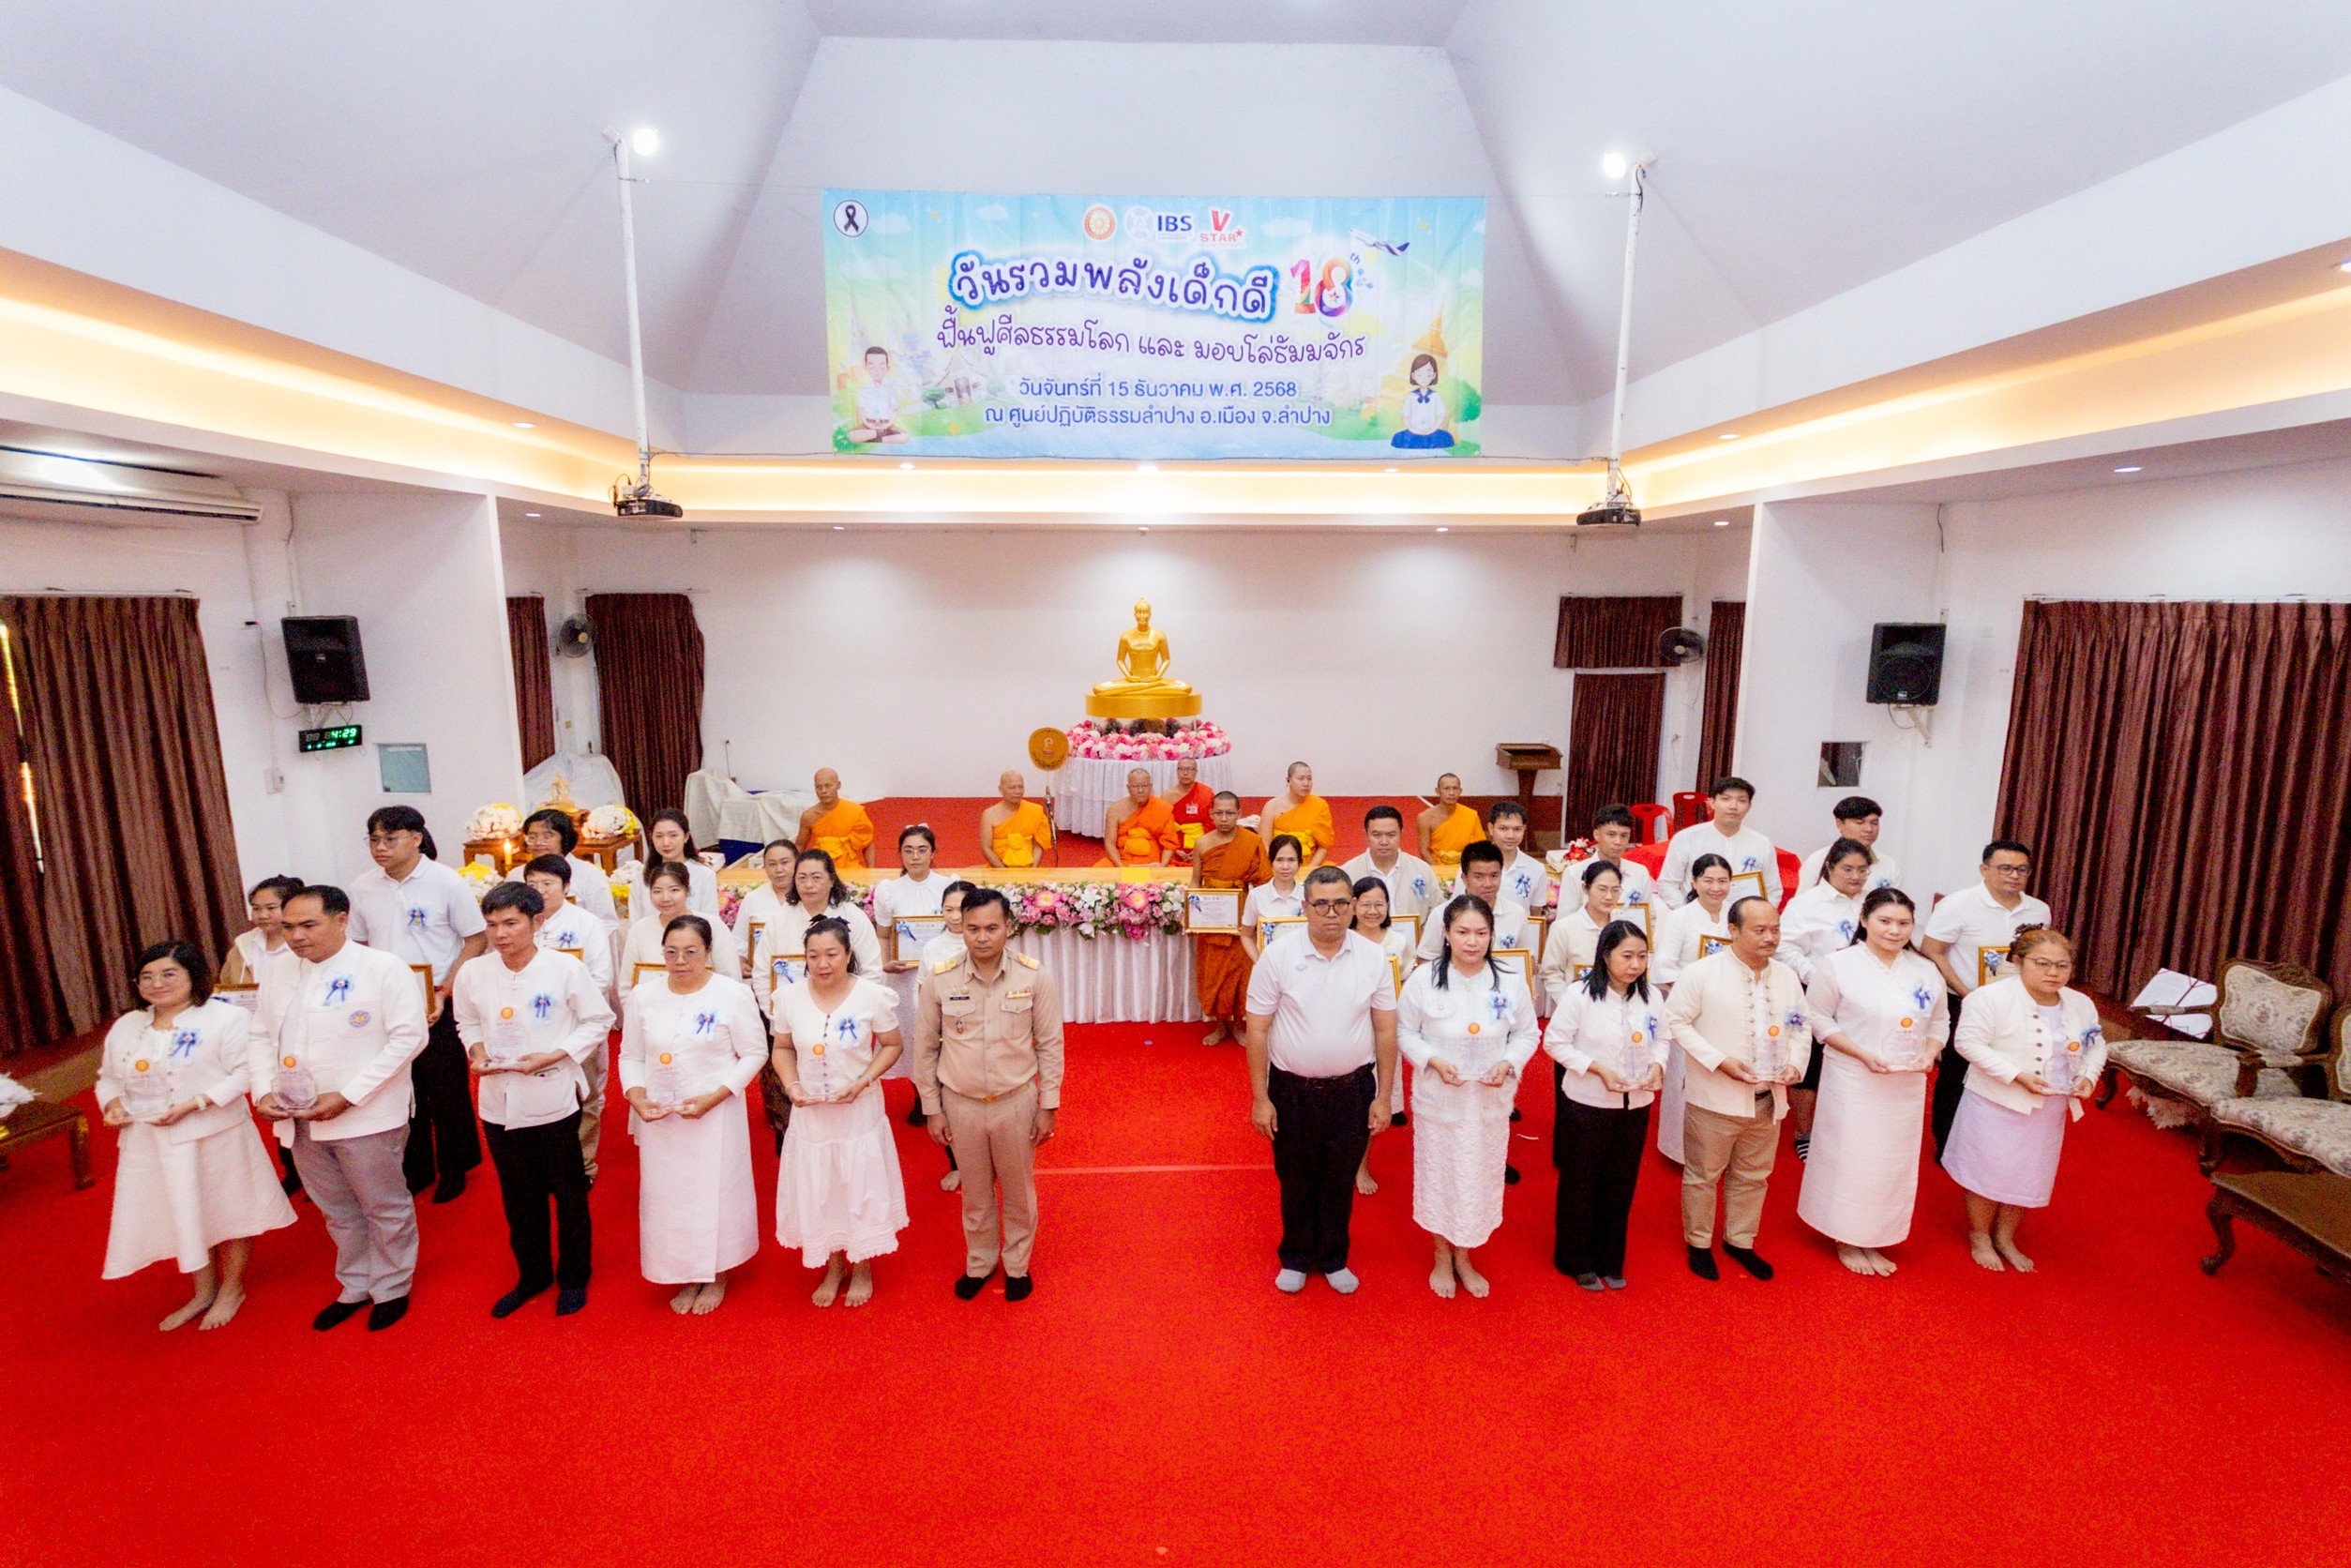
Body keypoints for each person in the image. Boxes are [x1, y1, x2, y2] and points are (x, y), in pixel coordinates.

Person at [253, 885, 430, 1332]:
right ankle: (355, 1283)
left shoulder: (382, 967)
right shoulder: (278, 971)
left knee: (383, 1205)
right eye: (288, 927)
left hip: (367, 1113)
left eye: (308, 925)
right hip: (299, 1116)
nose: (296, 936)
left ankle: (392, 1285)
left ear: (341, 920)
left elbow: (409, 1038)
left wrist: (349, 1095)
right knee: (336, 1208)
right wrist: (261, 1090)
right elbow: (258, 1035)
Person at [98, 940, 295, 1330]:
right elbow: (108, 1078)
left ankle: (231, 1288)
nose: (157, 984)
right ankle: (203, 1291)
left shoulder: (225, 1018)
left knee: (228, 1211)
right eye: (146, 977)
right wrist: (112, 1105)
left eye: (169, 974)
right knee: (183, 1213)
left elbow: (245, 1073)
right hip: (150, 1141)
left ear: (194, 977)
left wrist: (196, 1103)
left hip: (214, 1134)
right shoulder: (128, 1025)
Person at [454, 882, 614, 1319]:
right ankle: (533, 1274)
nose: (500, 934)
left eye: (510, 923)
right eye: (492, 925)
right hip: (498, 1101)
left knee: (568, 1193)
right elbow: (467, 1021)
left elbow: (599, 1019)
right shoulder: (473, 973)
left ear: (536, 922)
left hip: (551, 1096)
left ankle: (574, 1276)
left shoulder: (563, 968)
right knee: (518, 1196)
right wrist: (477, 1051)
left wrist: (558, 1053)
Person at [1244, 867, 1397, 1294]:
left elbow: (1386, 1030)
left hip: (1353, 1090)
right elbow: (1257, 1030)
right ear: (1305, 907)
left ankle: (1333, 1257)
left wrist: (1384, 1096)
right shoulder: (1277, 956)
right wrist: (1261, 1098)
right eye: (1322, 904)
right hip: (1292, 1091)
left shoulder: (1373, 958)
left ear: (1353, 907)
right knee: (1295, 1177)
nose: (1332, 913)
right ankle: (1295, 1256)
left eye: (1341, 904)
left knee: (1339, 1177)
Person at [912, 889, 1064, 1303]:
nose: (982, 937)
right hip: (961, 1105)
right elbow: (924, 1048)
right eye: (973, 928)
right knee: (976, 1196)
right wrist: (932, 1108)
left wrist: (1048, 1105)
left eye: (992, 928)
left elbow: (1051, 1044)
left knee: (1018, 1193)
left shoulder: (1033, 976)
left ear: (1008, 928)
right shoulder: (940, 979)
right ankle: (980, 1262)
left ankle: (1017, 1265)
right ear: (960, 928)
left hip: (1016, 1102)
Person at [617, 915, 766, 1315]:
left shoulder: (731, 994)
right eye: (671, 952)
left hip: (714, 1113)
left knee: (714, 1192)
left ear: (708, 952)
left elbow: (755, 1052)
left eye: (690, 952)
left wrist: (717, 1096)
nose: (680, 961)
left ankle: (717, 1272)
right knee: (669, 1197)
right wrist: (636, 1095)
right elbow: (630, 1055)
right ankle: (684, 1270)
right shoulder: (644, 996)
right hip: (661, 1117)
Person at [1798, 888, 1949, 1277]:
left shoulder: (1924, 969)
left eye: (1903, 923)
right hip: (1854, 1077)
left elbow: (1939, 1021)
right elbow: (1818, 1018)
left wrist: (1930, 1053)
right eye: (1884, 921)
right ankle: (1846, 1235)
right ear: (1864, 921)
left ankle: (1877, 1234)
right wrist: (1860, 1053)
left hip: (1905, 1082)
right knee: (1852, 1158)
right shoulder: (1837, 964)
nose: (1894, 930)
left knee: (1891, 1161)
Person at [1396, 895, 1539, 1299]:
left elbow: (1528, 1033)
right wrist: (1431, 1060)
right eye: (1462, 932)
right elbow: (1404, 1031)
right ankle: (1441, 1254)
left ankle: (1465, 1254)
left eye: (1481, 933)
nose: (1472, 941)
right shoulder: (1424, 979)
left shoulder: (1509, 980)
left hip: (1487, 1103)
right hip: (1441, 1101)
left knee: (1479, 1178)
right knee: (1440, 1177)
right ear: (1446, 933)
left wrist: (1509, 1062)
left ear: (1492, 934)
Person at [1662, 896, 1810, 1282]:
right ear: (1733, 931)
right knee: (1703, 1176)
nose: (1770, 938)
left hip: (1768, 1096)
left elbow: (1800, 1026)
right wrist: (1717, 1060)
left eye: (1775, 929)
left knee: (1754, 1176)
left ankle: (1740, 1240)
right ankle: (1698, 1243)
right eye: (1759, 930)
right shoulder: (1702, 972)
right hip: (1715, 1097)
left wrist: (1796, 1064)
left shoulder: (1786, 976)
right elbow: (1675, 1021)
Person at [346, 806, 485, 1204]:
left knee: (445, 1086)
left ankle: (455, 1166)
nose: (380, 848)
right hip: (387, 999)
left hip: (435, 995)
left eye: (390, 839)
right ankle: (417, 1166)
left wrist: (445, 990)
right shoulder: (362, 887)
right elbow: (358, 944)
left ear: (416, 838)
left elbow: (475, 938)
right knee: (401, 1085)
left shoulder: (446, 882)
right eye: (374, 840)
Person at [769, 917, 910, 1308]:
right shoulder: (789, 998)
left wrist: (864, 1080)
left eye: (831, 954)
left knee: (859, 1184)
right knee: (822, 1186)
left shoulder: (872, 996)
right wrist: (791, 1085)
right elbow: (782, 1048)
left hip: (857, 1110)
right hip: (812, 1113)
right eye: (813, 955)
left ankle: (862, 1264)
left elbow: (892, 1045)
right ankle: (832, 1264)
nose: (822, 963)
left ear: (848, 954)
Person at [1944, 928, 2103, 1273]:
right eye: (2042, 963)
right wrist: (2016, 1075)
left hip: (2050, 1103)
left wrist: (2089, 1076)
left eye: (2062, 965)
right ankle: (1979, 1235)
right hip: (1996, 1100)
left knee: (2028, 1172)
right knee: (1988, 1169)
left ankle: (2005, 1237)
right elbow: (1967, 1043)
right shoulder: (1988, 998)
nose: (2052, 973)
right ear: (2018, 962)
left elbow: (2096, 1045)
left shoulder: (2081, 1003)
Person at [1545, 920, 1669, 1289]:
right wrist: (1596, 1069)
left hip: (1636, 1103)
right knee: (1581, 1182)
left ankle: (1610, 1257)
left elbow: (1662, 1039)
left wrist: (1658, 1066)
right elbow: (1555, 1043)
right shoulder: (1580, 995)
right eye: (1627, 956)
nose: (1635, 965)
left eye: (1642, 957)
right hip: (1588, 1102)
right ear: (1605, 955)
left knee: (1621, 1182)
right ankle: (1576, 1258)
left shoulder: (1652, 997)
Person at [1921, 839, 2051, 1160]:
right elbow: (1932, 950)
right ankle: (1947, 1143)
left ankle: (1991, 1140)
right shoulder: (1957, 905)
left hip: (2015, 1004)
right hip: (1965, 1001)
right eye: (2005, 868)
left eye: (2022, 869)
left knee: (2005, 1069)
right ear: (1984, 869)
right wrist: (1967, 994)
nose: (2014, 876)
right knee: (1957, 1073)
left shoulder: (2039, 910)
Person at [521, 855, 618, 1182]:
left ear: (566, 887)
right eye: (532, 884)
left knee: (584, 1095)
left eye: (547, 883)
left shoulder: (586, 923)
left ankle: (583, 1165)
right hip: (532, 1025)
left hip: (577, 1024)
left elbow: (601, 977)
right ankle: (543, 1164)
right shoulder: (520, 922)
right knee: (537, 1093)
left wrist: (566, 1005)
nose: (540, 890)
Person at [1777, 837, 1875, 1159]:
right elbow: (1784, 948)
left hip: (1864, 996)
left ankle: (1843, 1129)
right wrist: (1820, 977)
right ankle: (1804, 1133)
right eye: (1848, 869)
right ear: (1830, 867)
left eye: (1862, 870)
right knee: (1812, 1067)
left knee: (1854, 1062)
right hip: (1816, 993)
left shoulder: (1873, 902)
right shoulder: (1807, 904)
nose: (1856, 876)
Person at [1650, 853, 1736, 1164]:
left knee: (1721, 1078)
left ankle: (1718, 1151)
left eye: (1723, 881)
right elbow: (1663, 967)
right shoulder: (1680, 918)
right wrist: (1697, 992)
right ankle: (1678, 1149)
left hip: (1728, 1009)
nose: (1716, 888)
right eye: (1708, 880)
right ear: (1694, 882)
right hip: (1688, 1008)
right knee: (1683, 1079)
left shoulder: (1735, 915)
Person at [747, 849, 883, 1017]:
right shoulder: (779, 919)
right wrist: (777, 1015)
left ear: (832, 880)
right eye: (802, 878)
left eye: (816, 877)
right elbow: (762, 974)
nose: (808, 885)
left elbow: (871, 970)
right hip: (789, 1017)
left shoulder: (854, 917)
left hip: (846, 1018)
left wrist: (852, 1013)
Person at [1350, 875, 1420, 1189]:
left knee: (1373, 1101)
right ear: (1353, 905)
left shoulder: (1398, 943)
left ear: (1388, 907)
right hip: (1347, 1030)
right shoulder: (1343, 939)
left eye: (1379, 904)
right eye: (1365, 904)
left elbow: (1405, 987)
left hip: (1382, 1032)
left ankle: (1361, 1164)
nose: (1372, 911)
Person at [1192, 791, 1270, 1046]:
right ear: (1211, 814)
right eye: (1219, 813)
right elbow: (1195, 881)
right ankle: (1221, 1025)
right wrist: (1192, 915)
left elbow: (1264, 882)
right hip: (1212, 916)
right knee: (1215, 973)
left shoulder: (1251, 841)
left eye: (1229, 813)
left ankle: (1238, 1024)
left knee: (1240, 972)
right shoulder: (1202, 843)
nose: (1224, 819)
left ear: (1239, 814)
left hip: (1241, 914)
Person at [873, 824, 950, 1059]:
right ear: (900, 854)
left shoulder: (947, 886)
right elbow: (883, 934)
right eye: (908, 850)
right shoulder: (888, 890)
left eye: (922, 850)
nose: (915, 856)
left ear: (933, 853)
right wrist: (885, 964)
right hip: (904, 976)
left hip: (942, 973)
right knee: (908, 1031)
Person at [1656, 776, 1780, 907]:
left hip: (1745, 917)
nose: (1733, 806)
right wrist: (1688, 912)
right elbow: (1667, 884)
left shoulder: (1762, 844)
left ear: (1749, 806)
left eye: (1741, 800)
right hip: (1695, 915)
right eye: (1726, 799)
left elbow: (1773, 891)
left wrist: (1758, 915)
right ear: (1712, 802)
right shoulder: (1686, 838)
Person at [623, 863, 740, 988]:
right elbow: (627, 984)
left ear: (687, 891)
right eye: (657, 891)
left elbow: (731, 978)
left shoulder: (713, 926)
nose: (665, 898)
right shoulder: (639, 929)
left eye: (674, 890)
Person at [1420, 841, 1529, 961]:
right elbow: (1425, 960)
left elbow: (1527, 961)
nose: (1488, 884)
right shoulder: (1440, 914)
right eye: (1479, 877)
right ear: (1464, 879)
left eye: (1494, 876)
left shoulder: (1517, 913)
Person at [1539, 860, 1626, 1008]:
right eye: (1602, 889)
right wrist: (1569, 1004)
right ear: (1586, 888)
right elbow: (1550, 972)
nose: (1609, 896)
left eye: (1615, 890)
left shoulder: (1625, 927)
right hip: (1575, 1010)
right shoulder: (1563, 928)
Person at [506, 807, 617, 923]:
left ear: (564, 839)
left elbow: (606, 922)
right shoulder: (516, 876)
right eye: (532, 837)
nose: (538, 842)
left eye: (547, 837)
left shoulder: (589, 874)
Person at [1341, 805, 1439, 927]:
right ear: (1366, 835)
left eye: (1391, 835)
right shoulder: (1347, 873)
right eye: (1377, 835)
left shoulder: (1422, 870)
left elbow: (1437, 912)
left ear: (1401, 834)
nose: (1384, 842)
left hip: (1415, 939)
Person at [1795, 795, 1901, 897]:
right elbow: (1802, 902)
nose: (1869, 829)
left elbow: (1898, 904)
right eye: (1860, 822)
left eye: (1874, 823)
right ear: (1839, 824)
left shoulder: (1888, 864)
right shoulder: (1818, 860)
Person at [219, 874, 305, 988]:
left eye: (271, 908)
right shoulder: (243, 945)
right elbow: (225, 987)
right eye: (256, 909)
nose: (262, 915)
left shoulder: (306, 943)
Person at [727, 839, 799, 963]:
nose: (779, 869)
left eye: (785, 862)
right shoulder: (753, 898)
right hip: (760, 968)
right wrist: (741, 961)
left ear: (797, 862)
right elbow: (739, 938)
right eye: (772, 864)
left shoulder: (809, 896)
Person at [1243, 835, 1307, 962]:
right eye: (1279, 860)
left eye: (1291, 860)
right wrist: (1260, 962)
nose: (1285, 866)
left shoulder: (1309, 895)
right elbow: (1246, 935)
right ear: (1271, 862)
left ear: (1300, 863)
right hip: (1269, 967)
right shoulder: (1256, 895)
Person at [644, 808, 719, 917]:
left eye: (673, 835)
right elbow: (635, 921)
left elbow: (711, 919)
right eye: (659, 836)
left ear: (686, 836)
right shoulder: (642, 876)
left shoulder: (704, 875)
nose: (666, 843)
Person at [1583, 805, 1659, 912]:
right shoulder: (1575, 873)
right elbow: (1565, 919)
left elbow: (1649, 917)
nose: (1618, 842)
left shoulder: (1639, 873)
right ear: (1597, 835)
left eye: (1624, 836)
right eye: (1611, 834)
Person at [1099, 767, 1180, 867]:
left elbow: (1169, 844)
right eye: (1135, 786)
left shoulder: (1162, 808)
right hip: (1123, 859)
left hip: (1154, 861)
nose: (1140, 790)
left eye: (1144, 786)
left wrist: (1162, 867)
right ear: (1128, 788)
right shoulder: (1115, 809)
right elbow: (1110, 843)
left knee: (1174, 875)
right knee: (1098, 871)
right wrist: (1120, 867)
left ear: (1150, 787)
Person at [1263, 761, 1334, 871]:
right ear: (1288, 780)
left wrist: (1308, 871)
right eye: (1301, 779)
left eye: (1309, 779)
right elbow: (1264, 844)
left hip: (1309, 864)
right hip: (1278, 865)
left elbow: (1324, 846)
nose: (1306, 783)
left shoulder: (1320, 805)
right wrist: (1277, 867)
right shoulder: (1272, 806)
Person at [798, 768, 877, 868]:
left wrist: (871, 870)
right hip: (821, 868)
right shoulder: (809, 816)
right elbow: (800, 846)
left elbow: (867, 843)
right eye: (818, 787)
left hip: (851, 868)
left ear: (838, 785)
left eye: (828, 786)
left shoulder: (854, 811)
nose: (823, 791)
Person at [981, 770, 1056, 868]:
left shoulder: (1034, 811)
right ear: (1001, 789)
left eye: (1021, 787)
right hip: (998, 869)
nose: (1018, 791)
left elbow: (1038, 844)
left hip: (1029, 869)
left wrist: (1033, 870)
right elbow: (986, 848)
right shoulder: (989, 814)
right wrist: (1003, 872)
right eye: (1012, 787)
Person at [1485, 800, 1551, 912]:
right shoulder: (1473, 865)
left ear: (1524, 829)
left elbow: (1535, 914)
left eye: (1517, 829)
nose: (1510, 836)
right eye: (1503, 829)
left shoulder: (1536, 868)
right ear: (1491, 828)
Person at [1417, 773, 1484, 877]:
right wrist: (1440, 873)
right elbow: (1424, 851)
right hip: (1437, 868)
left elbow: (1480, 848)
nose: (1451, 793)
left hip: (1464, 868)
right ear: (1438, 791)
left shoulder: (1471, 815)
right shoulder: (1425, 818)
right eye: (1446, 788)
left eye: (1455, 788)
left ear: (1460, 791)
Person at [1168, 757, 1215, 864]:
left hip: (1202, 844)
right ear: (1177, 771)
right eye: (1182, 769)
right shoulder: (1168, 796)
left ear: (1196, 772)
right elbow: (1164, 828)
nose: (1185, 773)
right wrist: (1175, 850)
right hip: (1176, 847)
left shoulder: (1206, 793)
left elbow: (1212, 825)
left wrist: (1202, 848)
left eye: (1190, 769)